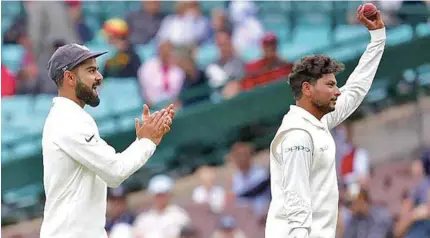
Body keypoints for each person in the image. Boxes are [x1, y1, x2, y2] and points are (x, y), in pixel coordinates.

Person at [265, 6, 386, 238]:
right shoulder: (297, 135)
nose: (337, 91)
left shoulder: (316, 122)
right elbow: (297, 205)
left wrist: (377, 38)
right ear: (308, 89)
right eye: (330, 85)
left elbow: (355, 89)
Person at [40, 43, 175, 238]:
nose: (99, 77)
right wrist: (147, 141)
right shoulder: (68, 121)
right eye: (91, 70)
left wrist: (144, 140)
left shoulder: (70, 117)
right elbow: (115, 171)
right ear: (70, 77)